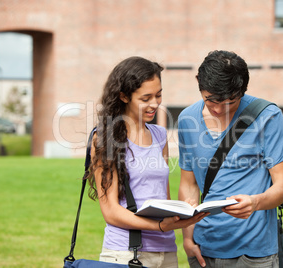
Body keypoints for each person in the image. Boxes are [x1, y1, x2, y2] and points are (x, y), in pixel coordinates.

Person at [87, 56, 207, 268]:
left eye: (158, 95)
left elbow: (162, 198)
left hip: (167, 252)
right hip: (126, 253)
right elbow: (111, 211)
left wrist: (181, 212)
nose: (155, 104)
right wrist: (159, 226)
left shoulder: (160, 135)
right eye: (145, 98)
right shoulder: (105, 138)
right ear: (124, 96)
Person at [178, 50, 283, 268]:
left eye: (230, 101)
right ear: (199, 84)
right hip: (204, 249)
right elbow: (189, 183)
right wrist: (187, 238)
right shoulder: (187, 120)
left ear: (242, 91)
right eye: (211, 100)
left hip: (255, 253)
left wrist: (255, 202)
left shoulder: (268, 116)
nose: (219, 109)